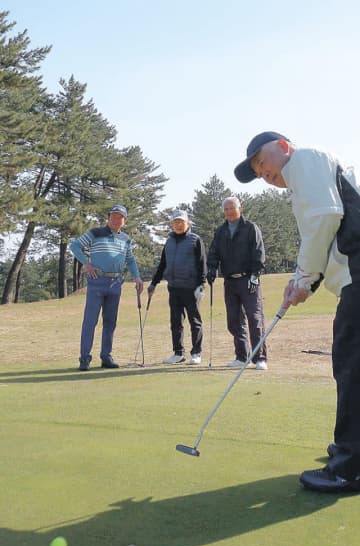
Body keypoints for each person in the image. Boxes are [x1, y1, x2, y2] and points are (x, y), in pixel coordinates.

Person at [234, 130, 360, 493]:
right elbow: (325, 235)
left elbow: (324, 220)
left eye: (262, 161)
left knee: (351, 363)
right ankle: (353, 452)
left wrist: (303, 279)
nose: (262, 172)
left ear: (284, 148)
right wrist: (305, 281)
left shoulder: (305, 159)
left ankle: (349, 467)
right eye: (257, 170)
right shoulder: (308, 174)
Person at [69, 204, 143, 371]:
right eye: (114, 216)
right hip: (97, 281)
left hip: (116, 283)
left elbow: (130, 260)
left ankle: (106, 357)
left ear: (124, 220)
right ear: (108, 217)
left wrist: (137, 277)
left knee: (110, 322)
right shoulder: (96, 233)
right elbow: (74, 246)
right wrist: (86, 264)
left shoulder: (125, 239)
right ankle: (84, 358)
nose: (116, 220)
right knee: (90, 321)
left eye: (120, 217)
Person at [207, 197, 267, 370]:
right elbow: (214, 252)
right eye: (225, 209)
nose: (229, 212)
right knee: (234, 320)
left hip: (248, 279)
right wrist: (211, 269)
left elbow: (258, 252)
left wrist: (256, 275)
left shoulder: (250, 228)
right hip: (230, 281)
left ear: (240, 208)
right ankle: (241, 356)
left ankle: (260, 358)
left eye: (232, 208)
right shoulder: (220, 231)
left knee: (254, 320)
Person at [148, 209, 207, 365]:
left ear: (187, 223)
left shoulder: (195, 239)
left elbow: (202, 264)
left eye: (181, 222)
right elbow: (162, 265)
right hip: (173, 287)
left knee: (195, 321)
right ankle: (178, 353)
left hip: (191, 287)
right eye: (176, 222)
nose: (179, 225)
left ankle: (196, 353)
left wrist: (202, 285)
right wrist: (154, 283)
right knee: (175, 321)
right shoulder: (169, 242)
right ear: (172, 224)